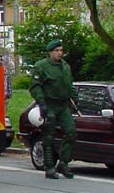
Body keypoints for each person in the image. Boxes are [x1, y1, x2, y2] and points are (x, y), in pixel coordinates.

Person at [29, 40, 78, 179]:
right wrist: (41, 103)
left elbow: (70, 84)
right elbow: (35, 86)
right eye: (56, 51)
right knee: (48, 136)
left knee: (71, 132)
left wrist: (75, 98)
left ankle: (63, 162)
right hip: (49, 103)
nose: (59, 53)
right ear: (50, 52)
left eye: (61, 50)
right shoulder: (41, 66)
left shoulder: (65, 66)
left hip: (63, 105)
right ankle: (49, 166)